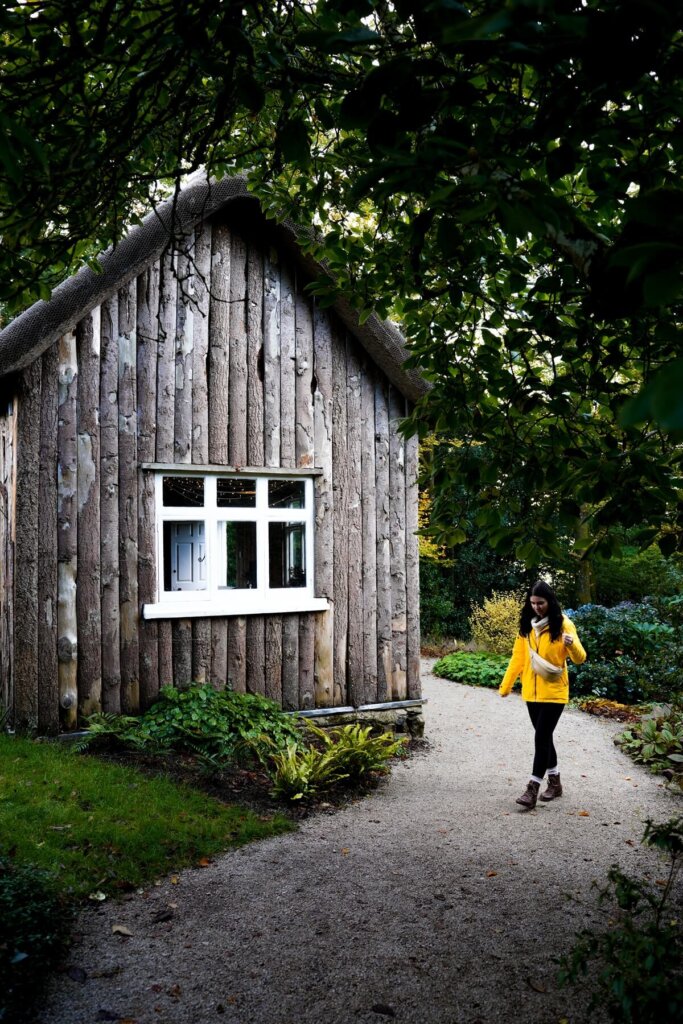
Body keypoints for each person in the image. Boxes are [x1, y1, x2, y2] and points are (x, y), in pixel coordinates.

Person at [499, 580, 587, 810]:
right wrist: (506, 685)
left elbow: (580, 658)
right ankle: (555, 783)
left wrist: (572, 644)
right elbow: (518, 658)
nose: (537, 607)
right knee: (544, 736)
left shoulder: (564, 624)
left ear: (550, 602)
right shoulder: (527, 627)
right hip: (531, 691)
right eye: (533, 603)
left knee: (541, 737)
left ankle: (533, 787)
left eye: (541, 603)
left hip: (555, 691)